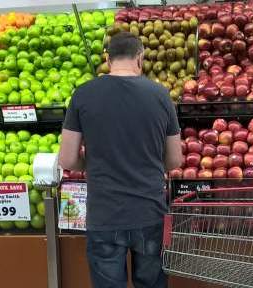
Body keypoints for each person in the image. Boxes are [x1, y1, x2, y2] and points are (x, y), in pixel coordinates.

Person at [58, 32, 184, 288]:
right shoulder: (161, 95)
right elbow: (174, 159)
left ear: (107, 59)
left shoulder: (82, 94)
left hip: (105, 216)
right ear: (140, 58)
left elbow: (68, 159)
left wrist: (91, 164)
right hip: (150, 214)